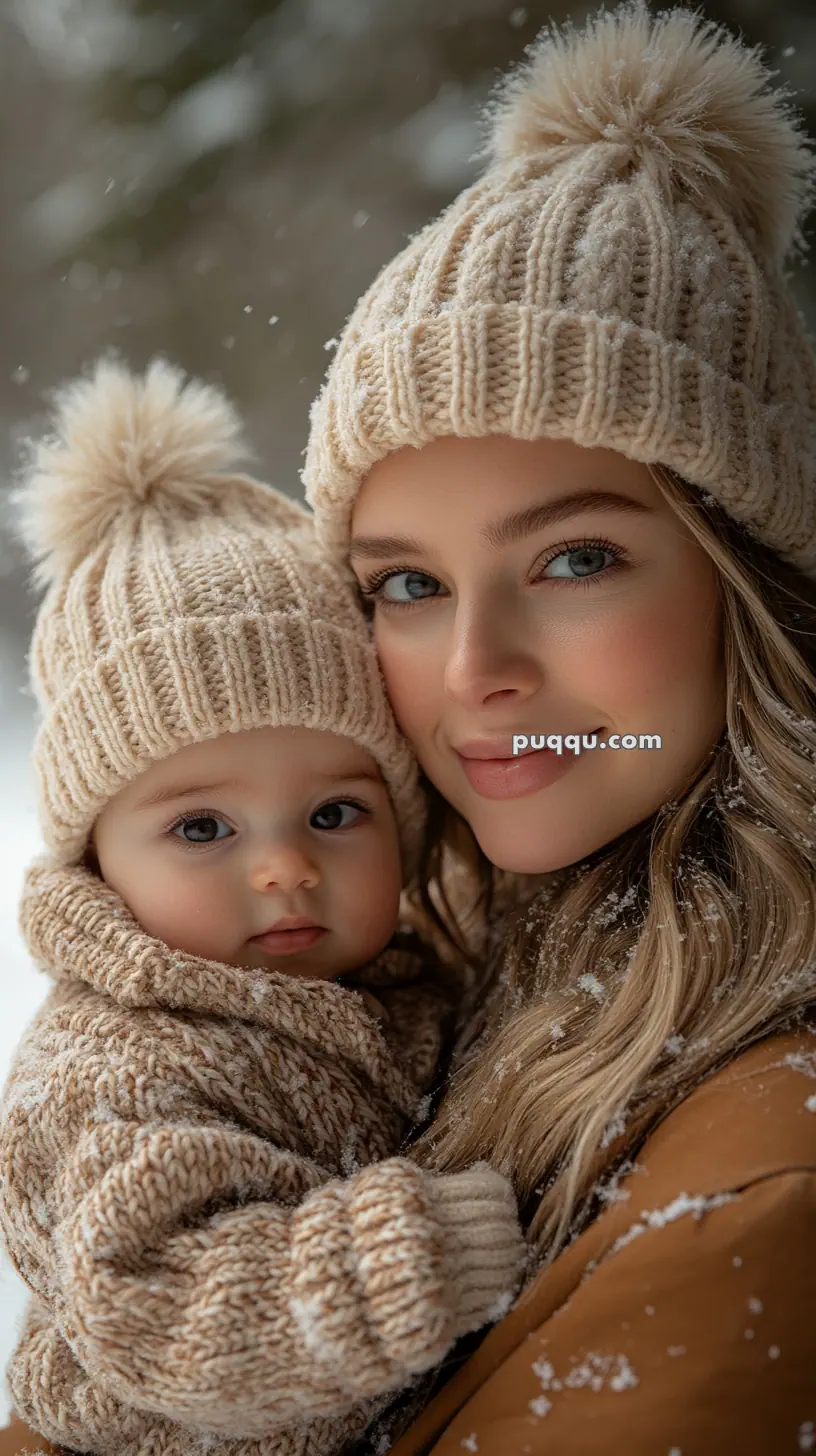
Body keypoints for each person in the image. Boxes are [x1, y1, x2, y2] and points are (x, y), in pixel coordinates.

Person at [301, 2, 816, 1450]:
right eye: (405, 584)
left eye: (575, 559)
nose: (476, 667)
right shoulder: (422, 984)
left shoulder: (764, 1180)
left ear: (746, 580)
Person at [0, 357, 526, 1456]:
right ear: (99, 857)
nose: (284, 867)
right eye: (203, 829)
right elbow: (157, 1301)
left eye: (335, 814)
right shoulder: (117, 1068)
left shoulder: (395, 979)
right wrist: (406, 1261)